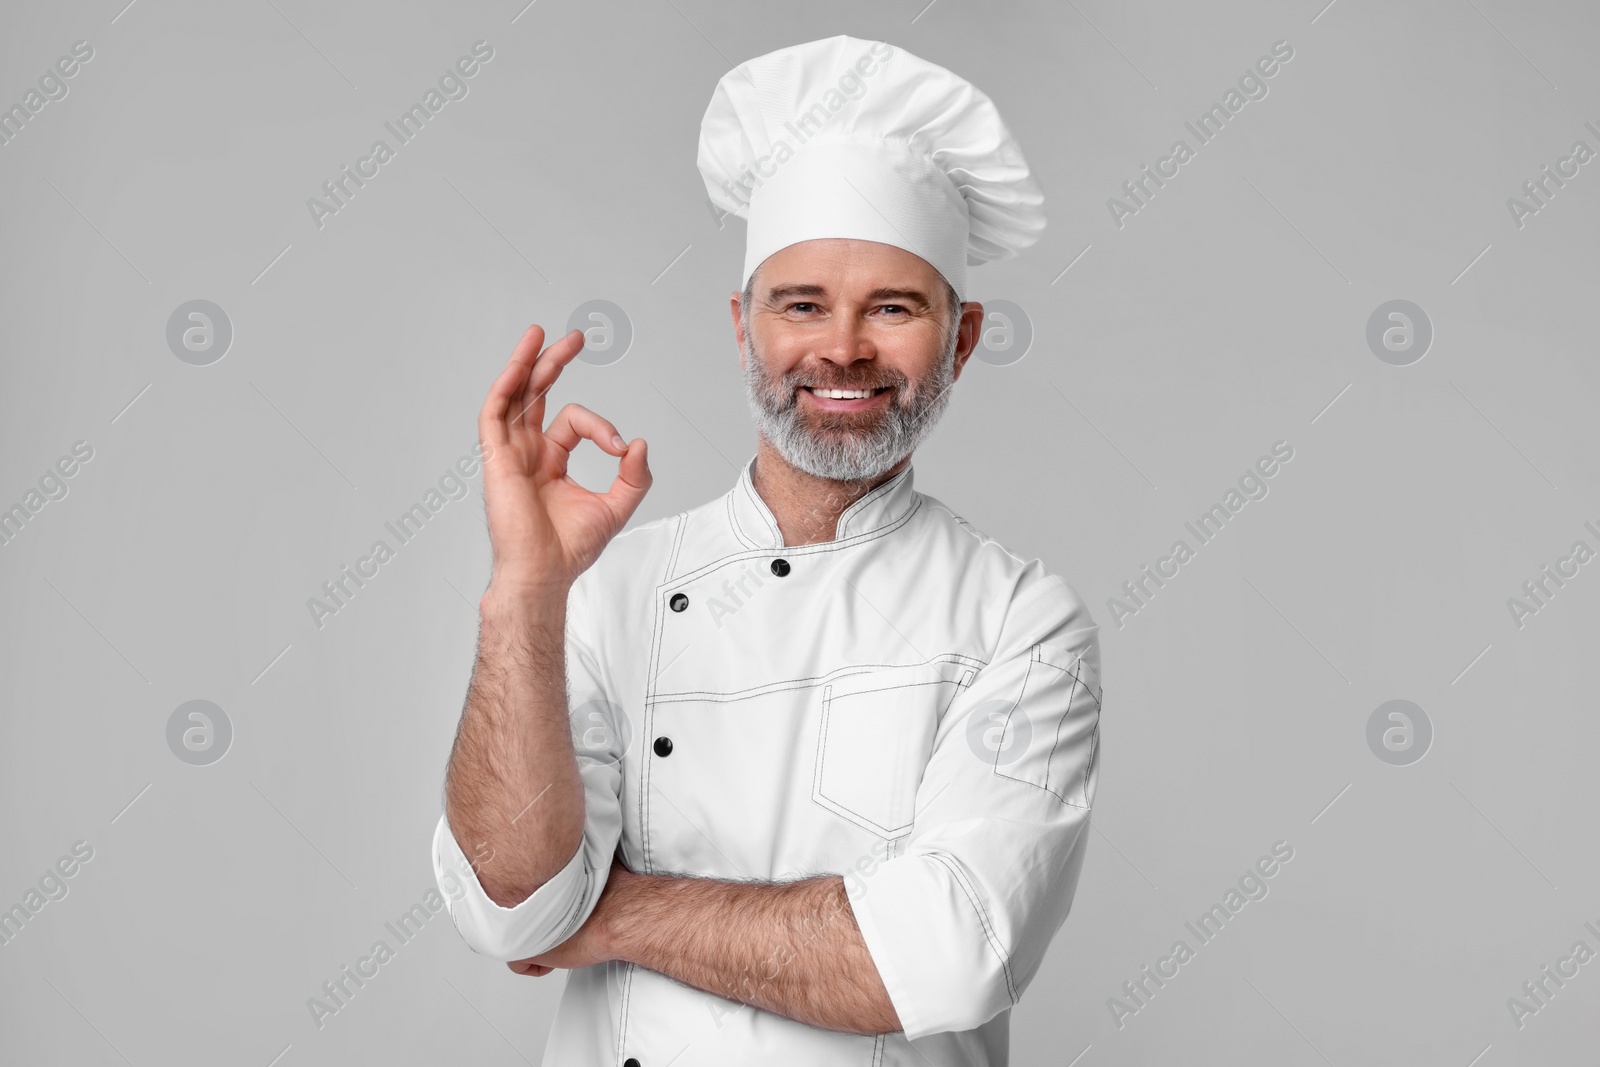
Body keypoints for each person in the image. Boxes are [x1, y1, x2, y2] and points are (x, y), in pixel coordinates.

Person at [431, 34, 1103, 1066]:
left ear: (960, 338)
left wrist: (612, 915)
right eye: (801, 305)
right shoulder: (603, 589)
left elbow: (941, 953)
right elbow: (510, 902)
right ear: (742, 327)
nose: (841, 348)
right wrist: (525, 589)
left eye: (891, 306)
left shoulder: (1018, 618)